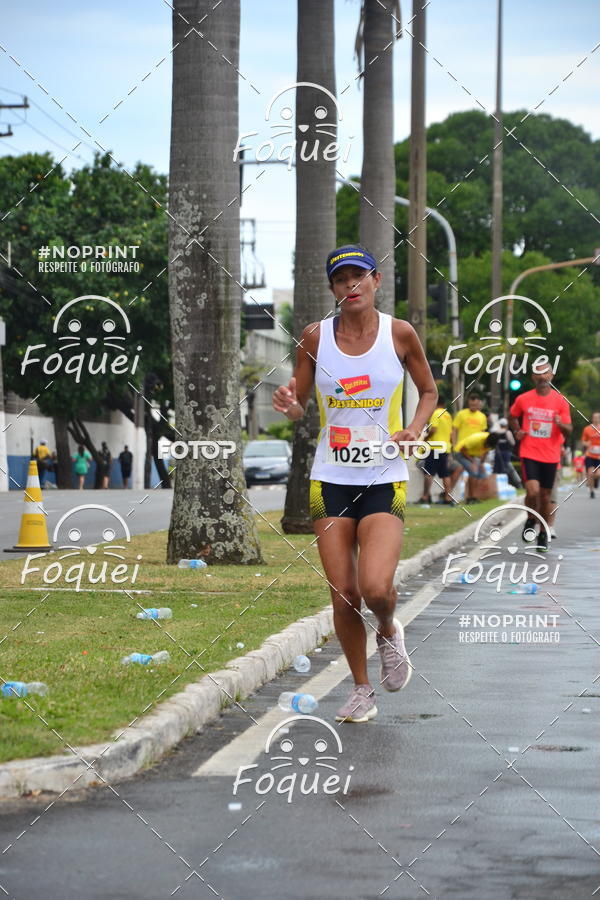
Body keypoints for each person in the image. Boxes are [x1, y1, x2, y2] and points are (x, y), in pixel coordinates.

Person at [272, 244, 437, 724]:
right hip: (331, 477)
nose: (351, 286)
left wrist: (415, 427)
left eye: (359, 277)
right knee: (343, 592)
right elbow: (299, 404)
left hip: (384, 476)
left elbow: (428, 391)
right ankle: (362, 689)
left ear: (376, 281)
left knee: (376, 588)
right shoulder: (315, 337)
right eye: (341, 280)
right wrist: (289, 403)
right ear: (333, 289)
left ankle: (387, 629)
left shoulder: (399, 334)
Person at [509, 364, 572, 552]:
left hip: (551, 455)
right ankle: (530, 519)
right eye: (538, 372)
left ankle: (543, 532)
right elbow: (512, 416)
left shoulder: (560, 401)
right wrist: (517, 430)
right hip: (529, 451)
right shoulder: (523, 398)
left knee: (545, 497)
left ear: (552, 375)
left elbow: (569, 429)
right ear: (533, 377)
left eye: (546, 372)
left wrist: (561, 424)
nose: (542, 376)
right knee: (533, 491)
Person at [449, 393, 488, 500]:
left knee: (475, 473)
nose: (473, 407)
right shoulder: (461, 414)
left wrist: (482, 452)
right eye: (471, 404)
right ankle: (449, 493)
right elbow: (454, 430)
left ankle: (472, 496)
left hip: (475, 451)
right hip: (461, 449)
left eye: (475, 405)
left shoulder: (482, 416)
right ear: (468, 403)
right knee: (470, 470)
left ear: (479, 404)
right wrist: (454, 444)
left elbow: (483, 434)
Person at [419, 398, 453, 504]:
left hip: (435, 447)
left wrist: (425, 439)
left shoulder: (436, 413)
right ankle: (448, 498)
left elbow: (433, 429)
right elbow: (451, 433)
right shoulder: (448, 415)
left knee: (428, 473)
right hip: (445, 448)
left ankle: (425, 497)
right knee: (445, 474)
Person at [452, 431, 500, 503]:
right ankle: (470, 498)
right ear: (486, 440)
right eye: (487, 445)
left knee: (482, 475)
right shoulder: (476, 439)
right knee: (473, 471)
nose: (488, 447)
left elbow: (485, 452)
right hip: (459, 452)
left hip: (472, 455)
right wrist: (473, 462)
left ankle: (474, 496)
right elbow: (462, 450)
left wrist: (481, 464)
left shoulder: (491, 442)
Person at [581, 411, 600, 499]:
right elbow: (583, 441)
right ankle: (592, 491)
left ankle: (595, 480)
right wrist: (587, 444)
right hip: (590, 455)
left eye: (598, 417)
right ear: (592, 418)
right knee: (590, 473)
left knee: (598, 474)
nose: (596, 419)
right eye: (595, 417)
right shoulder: (587, 429)